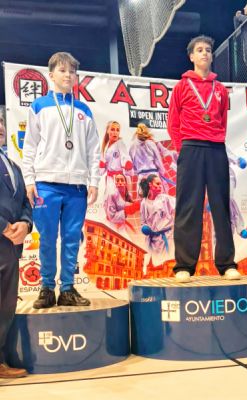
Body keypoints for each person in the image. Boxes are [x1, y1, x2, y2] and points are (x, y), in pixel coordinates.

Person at [22, 52, 101, 308]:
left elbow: (94, 150)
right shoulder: (39, 106)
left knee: (71, 238)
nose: (68, 75)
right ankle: (47, 288)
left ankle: (67, 288)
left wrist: (94, 181)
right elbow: (30, 146)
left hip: (77, 186)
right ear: (51, 75)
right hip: (46, 183)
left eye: (72, 72)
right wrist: (29, 180)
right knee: (47, 237)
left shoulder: (84, 110)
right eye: (63, 70)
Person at [167, 35, 240, 283]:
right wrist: (184, 148)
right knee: (189, 206)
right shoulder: (181, 87)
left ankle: (227, 264)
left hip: (216, 148)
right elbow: (173, 122)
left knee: (221, 206)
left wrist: (216, 140)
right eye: (199, 50)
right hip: (191, 148)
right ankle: (184, 266)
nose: (205, 53)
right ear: (191, 56)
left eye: (208, 50)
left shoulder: (220, 89)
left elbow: (222, 121)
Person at [0, 107, 32, 378]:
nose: (0, 127)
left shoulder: (14, 166)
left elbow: (24, 203)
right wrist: (3, 226)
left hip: (10, 248)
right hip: (4, 236)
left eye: (0, 122)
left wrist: (25, 224)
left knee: (5, 307)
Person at [129, 123, 176, 195]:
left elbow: (132, 165)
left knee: (144, 198)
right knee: (158, 197)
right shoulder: (151, 143)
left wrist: (138, 172)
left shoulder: (132, 146)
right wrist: (162, 171)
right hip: (153, 175)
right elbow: (158, 160)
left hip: (141, 176)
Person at [139, 174, 175, 257]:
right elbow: (143, 222)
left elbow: (180, 203)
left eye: (161, 184)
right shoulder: (144, 203)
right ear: (150, 185)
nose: (160, 186)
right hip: (152, 241)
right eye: (157, 184)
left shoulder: (165, 199)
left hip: (167, 238)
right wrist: (144, 228)